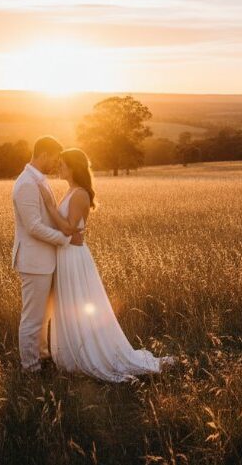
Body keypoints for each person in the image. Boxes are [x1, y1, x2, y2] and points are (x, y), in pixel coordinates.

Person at [37, 148, 175, 382]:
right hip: (66, 254)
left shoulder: (79, 193)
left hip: (73, 256)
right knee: (70, 304)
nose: (58, 167)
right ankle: (72, 353)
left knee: (78, 302)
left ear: (73, 167)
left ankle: (91, 355)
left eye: (62, 164)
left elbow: (69, 229)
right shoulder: (71, 191)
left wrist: (50, 207)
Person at [11, 136, 84, 373]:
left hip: (47, 260)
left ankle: (42, 357)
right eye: (54, 157)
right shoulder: (26, 184)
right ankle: (30, 368)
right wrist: (64, 239)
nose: (56, 162)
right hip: (34, 261)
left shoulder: (38, 180)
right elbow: (33, 226)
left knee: (43, 317)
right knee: (32, 319)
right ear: (43, 155)